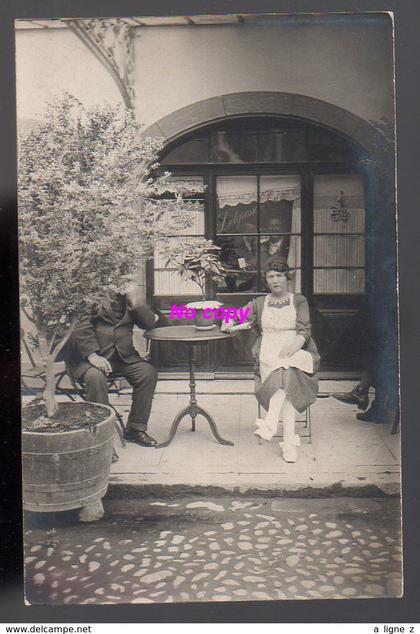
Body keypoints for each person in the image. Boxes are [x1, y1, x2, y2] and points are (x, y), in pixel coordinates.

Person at [222, 259, 320, 463]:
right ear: (266, 279)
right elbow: (236, 315)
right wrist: (229, 320)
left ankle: (270, 422)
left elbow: (305, 330)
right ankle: (289, 442)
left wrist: (292, 349)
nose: (275, 281)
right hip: (268, 352)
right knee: (286, 379)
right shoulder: (259, 303)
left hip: (296, 349)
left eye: (279, 275)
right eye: (271, 276)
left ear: (287, 277)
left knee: (288, 372)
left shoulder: (298, 300)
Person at [65, 280, 163, 447]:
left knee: (147, 373)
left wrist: (136, 301)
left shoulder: (126, 290)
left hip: (123, 357)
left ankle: (135, 428)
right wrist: (92, 354)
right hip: (88, 359)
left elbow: (148, 324)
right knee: (96, 378)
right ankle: (101, 439)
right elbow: (81, 326)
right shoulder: (88, 288)